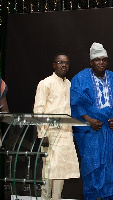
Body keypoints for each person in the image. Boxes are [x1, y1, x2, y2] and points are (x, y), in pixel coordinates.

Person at [70, 42, 113, 200]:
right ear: (91, 62)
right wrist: (89, 120)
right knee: (92, 166)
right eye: (97, 60)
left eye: (104, 59)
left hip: (110, 130)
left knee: (109, 167)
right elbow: (75, 102)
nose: (101, 62)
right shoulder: (80, 78)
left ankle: (107, 197)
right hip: (91, 131)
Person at [33, 53, 80, 200]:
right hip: (50, 133)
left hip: (66, 134)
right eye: (60, 62)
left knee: (61, 171)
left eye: (66, 62)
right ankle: (45, 198)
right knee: (48, 170)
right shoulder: (45, 83)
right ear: (54, 65)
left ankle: (56, 198)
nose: (63, 65)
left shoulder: (69, 84)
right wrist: (42, 134)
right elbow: (38, 111)